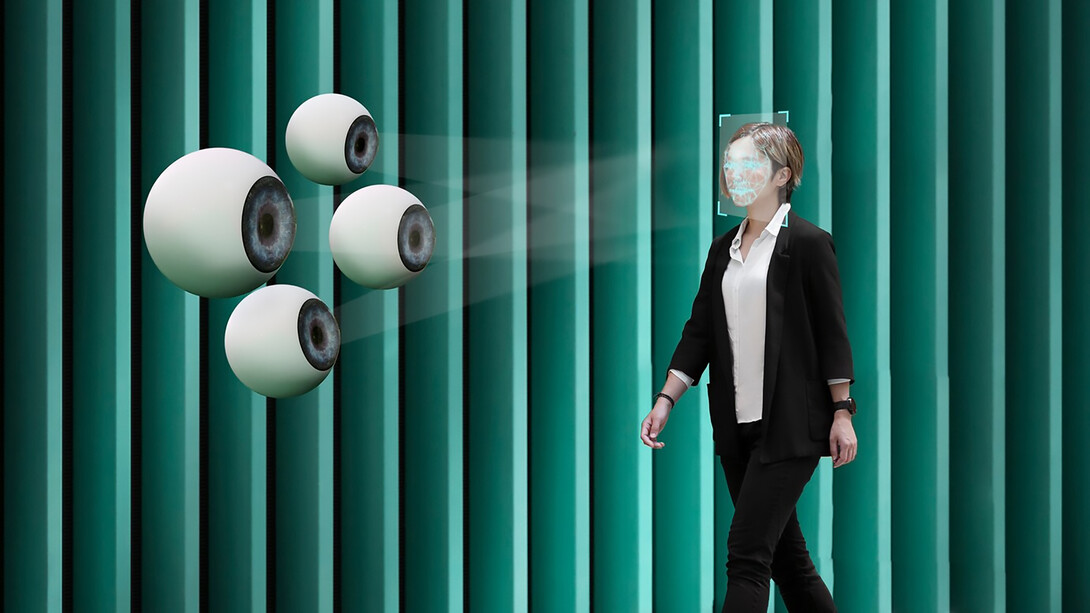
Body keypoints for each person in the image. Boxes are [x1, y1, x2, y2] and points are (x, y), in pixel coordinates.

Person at [639, 122, 857, 612]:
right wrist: (665, 399)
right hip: (738, 429)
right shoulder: (723, 249)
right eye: (729, 164)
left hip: (791, 428)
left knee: (747, 557)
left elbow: (832, 333)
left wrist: (842, 411)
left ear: (782, 174)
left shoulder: (807, 244)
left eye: (747, 164)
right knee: (789, 563)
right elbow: (699, 332)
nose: (733, 173)